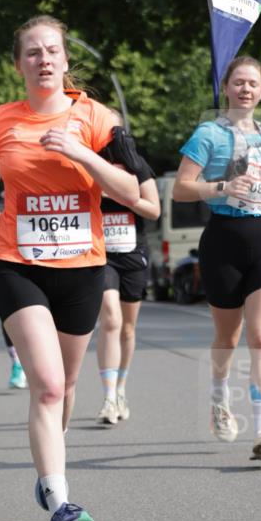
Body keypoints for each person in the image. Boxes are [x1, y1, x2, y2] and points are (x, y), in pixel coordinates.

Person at [0, 15, 139, 521]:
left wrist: (82, 153)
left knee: (65, 388)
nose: (44, 59)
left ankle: (49, 471)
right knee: (44, 384)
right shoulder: (1, 122)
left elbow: (132, 188)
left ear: (66, 61)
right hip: (18, 264)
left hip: (83, 268)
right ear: (18, 64)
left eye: (53, 51)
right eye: (33, 52)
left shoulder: (96, 117)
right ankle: (63, 506)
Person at [174, 55, 261, 461]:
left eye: (253, 83)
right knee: (227, 338)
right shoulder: (208, 134)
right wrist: (221, 186)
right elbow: (181, 188)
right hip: (224, 243)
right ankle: (219, 397)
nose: (246, 89)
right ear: (227, 88)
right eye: (239, 82)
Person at [96, 126, 160, 425]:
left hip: (133, 253)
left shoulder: (138, 166)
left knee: (128, 328)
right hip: (101, 254)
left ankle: (121, 388)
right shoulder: (90, 162)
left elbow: (154, 211)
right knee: (110, 317)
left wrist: (125, 195)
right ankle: (108, 396)